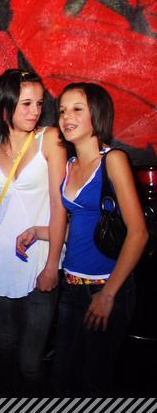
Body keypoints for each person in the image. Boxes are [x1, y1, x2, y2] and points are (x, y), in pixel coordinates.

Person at [17, 82, 148, 396]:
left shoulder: (112, 160)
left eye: (77, 109)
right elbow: (79, 230)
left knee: (93, 383)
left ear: (97, 114)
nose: (66, 117)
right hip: (71, 287)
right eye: (62, 110)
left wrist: (108, 295)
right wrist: (38, 232)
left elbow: (138, 233)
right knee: (63, 378)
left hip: (104, 288)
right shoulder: (71, 165)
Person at [0, 69, 67, 395]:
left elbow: (60, 207)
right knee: (4, 344)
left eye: (39, 103)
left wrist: (52, 266)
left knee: (30, 361)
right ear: (6, 105)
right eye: (26, 103)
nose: (35, 111)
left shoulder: (50, 139)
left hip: (40, 258)